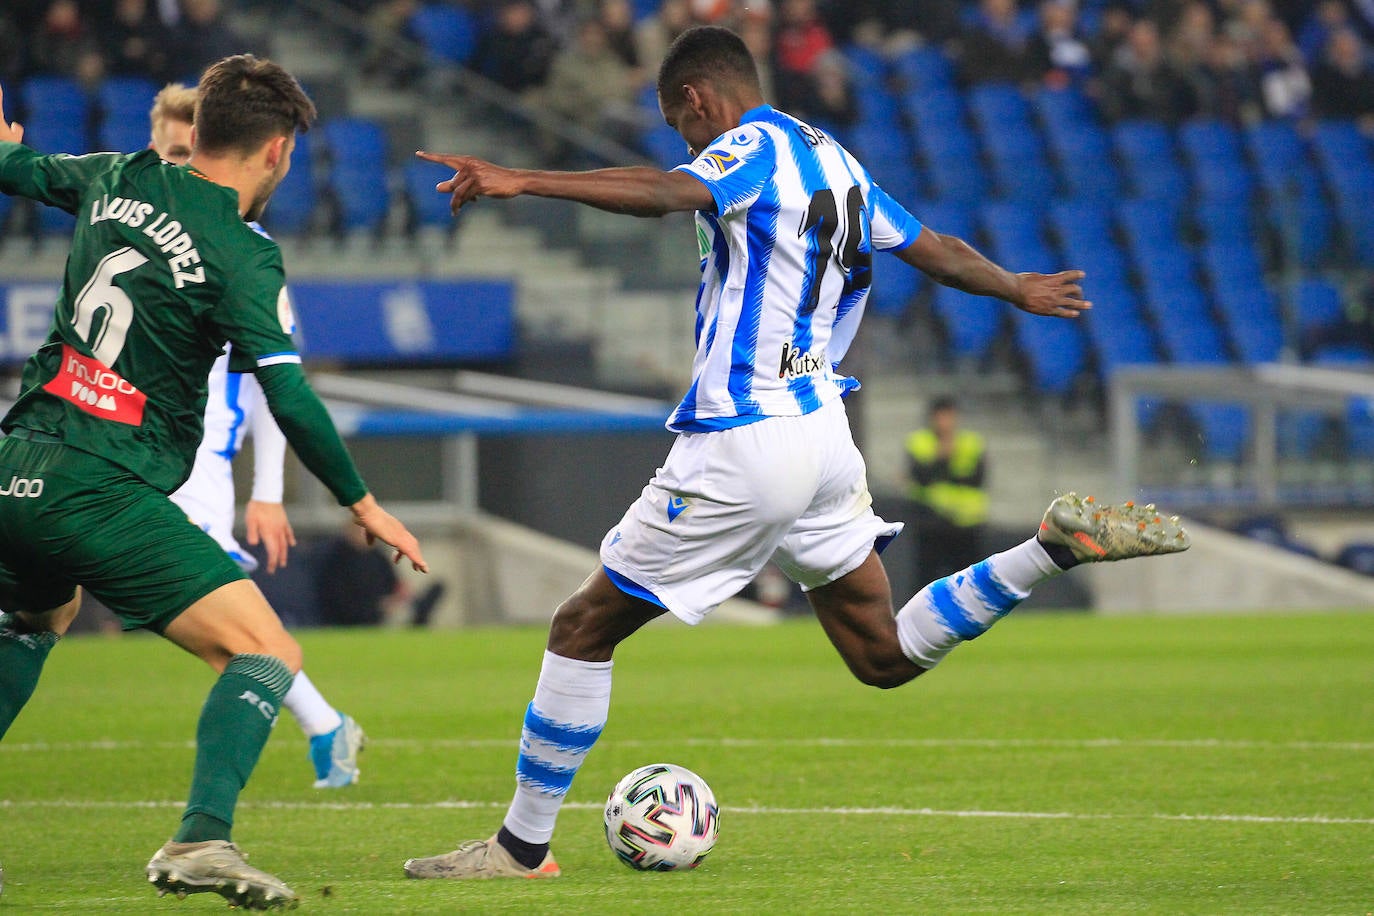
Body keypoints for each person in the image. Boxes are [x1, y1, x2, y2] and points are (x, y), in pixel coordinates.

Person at [403, 25, 1190, 881]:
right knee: (882, 655)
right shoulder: (837, 160)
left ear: (699, 100)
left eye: (682, 125)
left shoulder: (748, 147)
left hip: (747, 434)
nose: (688, 144)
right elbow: (937, 250)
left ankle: (519, 851)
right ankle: (1048, 551)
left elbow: (666, 193)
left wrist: (523, 179)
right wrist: (1016, 287)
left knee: (582, 629)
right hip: (824, 436)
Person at [0, 54, 426, 909]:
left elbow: (21, 169)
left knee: (41, 614)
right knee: (267, 651)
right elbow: (291, 396)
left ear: (199, 133)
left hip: (18, 464)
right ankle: (201, 839)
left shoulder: (119, 175)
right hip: (100, 485)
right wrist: (363, 501)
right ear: (277, 151)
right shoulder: (240, 252)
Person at [150, 83, 366, 790]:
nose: (181, 166)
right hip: (115, 449)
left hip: (190, 465)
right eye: (168, 152)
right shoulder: (129, 221)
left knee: (237, 638)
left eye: (190, 152)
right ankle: (326, 724)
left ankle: (314, 734)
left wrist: (268, 492)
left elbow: (280, 385)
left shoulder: (247, 249)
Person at [905, 396, 989, 584]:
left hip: (967, 522)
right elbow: (920, 477)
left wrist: (942, 472)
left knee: (969, 582)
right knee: (926, 579)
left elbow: (978, 478)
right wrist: (943, 458)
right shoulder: (919, 442)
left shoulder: (972, 442)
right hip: (932, 521)